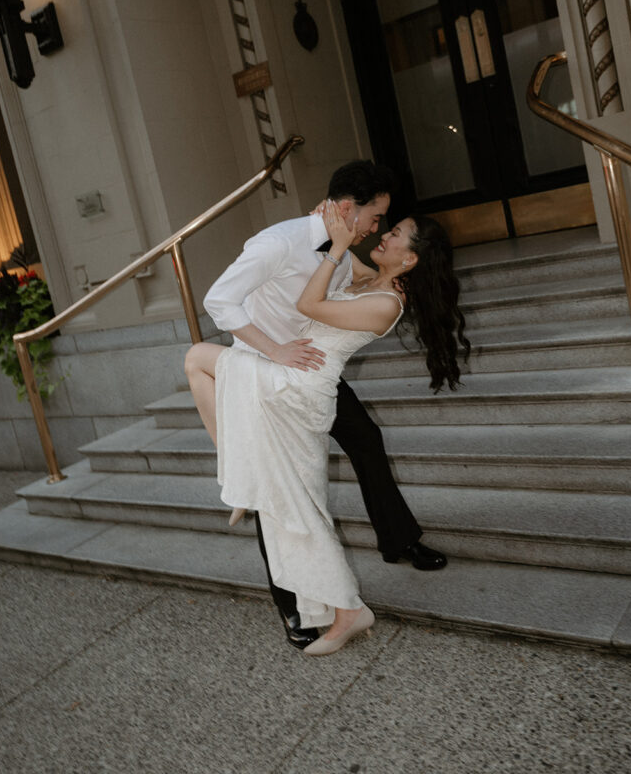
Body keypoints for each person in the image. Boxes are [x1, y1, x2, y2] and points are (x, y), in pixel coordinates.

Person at [186, 160, 467, 650]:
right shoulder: (304, 250)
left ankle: (384, 552)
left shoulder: (370, 282)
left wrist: (336, 244)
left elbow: (315, 301)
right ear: (344, 209)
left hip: (304, 379)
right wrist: (335, 241)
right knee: (279, 492)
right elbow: (225, 300)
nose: (379, 230)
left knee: (351, 451)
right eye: (379, 219)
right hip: (279, 366)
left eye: (390, 227)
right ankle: (297, 605)